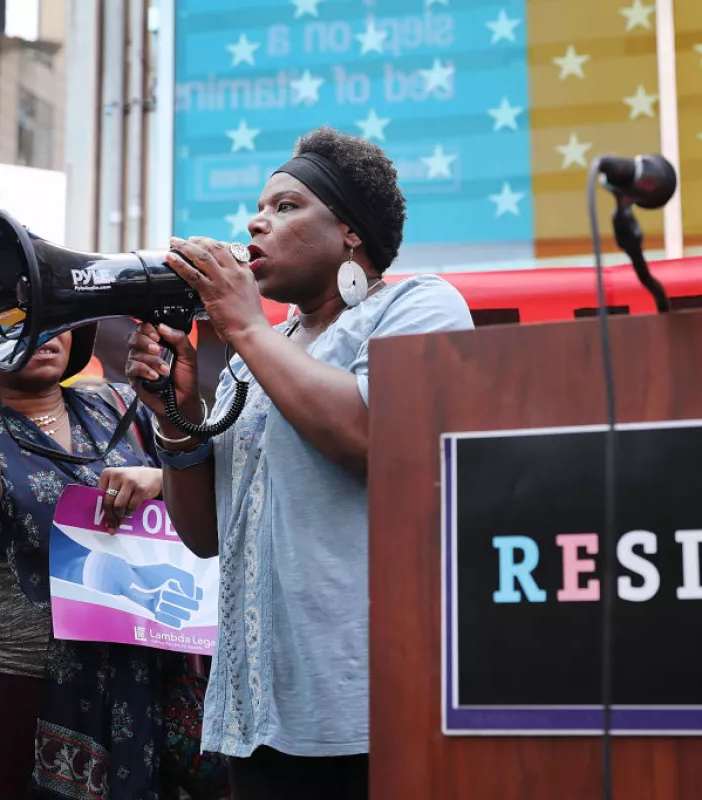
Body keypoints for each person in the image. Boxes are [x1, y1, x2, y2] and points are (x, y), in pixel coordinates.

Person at [125, 127, 475, 798]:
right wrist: (175, 412)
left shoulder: (417, 306)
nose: (257, 221)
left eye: (287, 206)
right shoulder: (256, 359)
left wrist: (246, 329)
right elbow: (203, 535)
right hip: (261, 713)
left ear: (350, 232)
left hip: (371, 713)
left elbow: (372, 434)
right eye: (258, 208)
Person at [0, 224, 228, 799]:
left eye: (53, 314)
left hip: (129, 691)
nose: (43, 330)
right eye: (15, 316)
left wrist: (161, 477)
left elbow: (214, 485)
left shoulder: (125, 406)